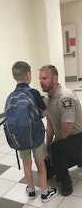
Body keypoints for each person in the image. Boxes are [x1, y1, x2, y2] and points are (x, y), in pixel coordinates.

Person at [11, 62, 58, 202]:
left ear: (14, 77)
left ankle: (31, 190)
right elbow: (44, 112)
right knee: (40, 163)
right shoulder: (33, 93)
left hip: (20, 138)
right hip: (36, 136)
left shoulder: (11, 96)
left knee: (26, 163)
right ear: (28, 75)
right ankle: (44, 192)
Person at [39, 65, 82, 196]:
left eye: (44, 78)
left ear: (55, 78)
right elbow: (50, 125)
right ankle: (76, 159)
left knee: (57, 149)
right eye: (40, 78)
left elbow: (66, 131)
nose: (41, 81)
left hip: (78, 137)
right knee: (46, 165)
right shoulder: (48, 99)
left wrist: (52, 147)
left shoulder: (65, 98)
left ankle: (66, 184)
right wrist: (47, 147)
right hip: (67, 139)